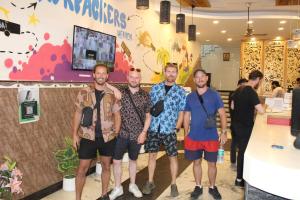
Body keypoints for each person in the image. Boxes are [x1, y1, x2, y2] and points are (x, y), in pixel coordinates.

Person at [72, 64, 121, 200]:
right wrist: (74, 134)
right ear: (93, 75)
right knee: (82, 169)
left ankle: (104, 194)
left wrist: (116, 133)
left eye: (103, 73)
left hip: (107, 137)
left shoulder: (112, 94)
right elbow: (77, 113)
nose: (100, 76)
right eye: (98, 73)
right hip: (88, 136)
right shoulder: (84, 92)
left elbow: (117, 114)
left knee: (106, 166)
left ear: (107, 75)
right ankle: (78, 198)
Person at [142, 63, 186, 197]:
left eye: (174, 72)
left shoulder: (180, 91)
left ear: (176, 74)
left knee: (172, 157)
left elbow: (181, 111)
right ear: (164, 72)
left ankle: (173, 183)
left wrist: (177, 127)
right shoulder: (155, 88)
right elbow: (149, 109)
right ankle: (150, 181)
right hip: (154, 128)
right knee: (152, 155)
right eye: (168, 71)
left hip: (169, 129)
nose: (171, 74)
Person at [183, 69, 227, 200]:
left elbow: (222, 114)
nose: (200, 79)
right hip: (194, 136)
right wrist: (186, 133)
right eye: (197, 77)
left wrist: (224, 132)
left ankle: (213, 187)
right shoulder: (190, 97)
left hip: (211, 137)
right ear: (194, 80)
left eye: (202, 76)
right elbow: (186, 115)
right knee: (196, 162)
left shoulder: (214, 95)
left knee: (212, 164)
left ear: (207, 78)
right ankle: (198, 186)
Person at [109, 67, 152, 200]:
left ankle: (132, 185)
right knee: (116, 161)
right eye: (131, 77)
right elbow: (104, 83)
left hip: (137, 135)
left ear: (140, 79)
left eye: (137, 77)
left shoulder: (145, 95)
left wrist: (144, 132)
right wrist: (114, 89)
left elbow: (148, 116)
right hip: (122, 134)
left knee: (133, 160)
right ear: (127, 78)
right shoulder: (121, 91)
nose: (134, 79)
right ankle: (117, 187)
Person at [231, 70, 265, 187]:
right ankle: (239, 179)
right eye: (261, 81)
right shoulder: (251, 92)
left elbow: (232, 106)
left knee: (241, 150)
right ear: (258, 79)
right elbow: (261, 111)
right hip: (245, 126)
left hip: (236, 124)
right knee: (243, 152)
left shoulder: (239, 89)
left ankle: (240, 177)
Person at [229, 78, 248, 164]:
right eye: (244, 85)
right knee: (238, 143)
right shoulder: (236, 94)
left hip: (235, 122)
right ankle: (238, 160)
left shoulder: (233, 94)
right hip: (238, 123)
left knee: (234, 141)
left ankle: (233, 160)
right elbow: (233, 108)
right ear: (240, 85)